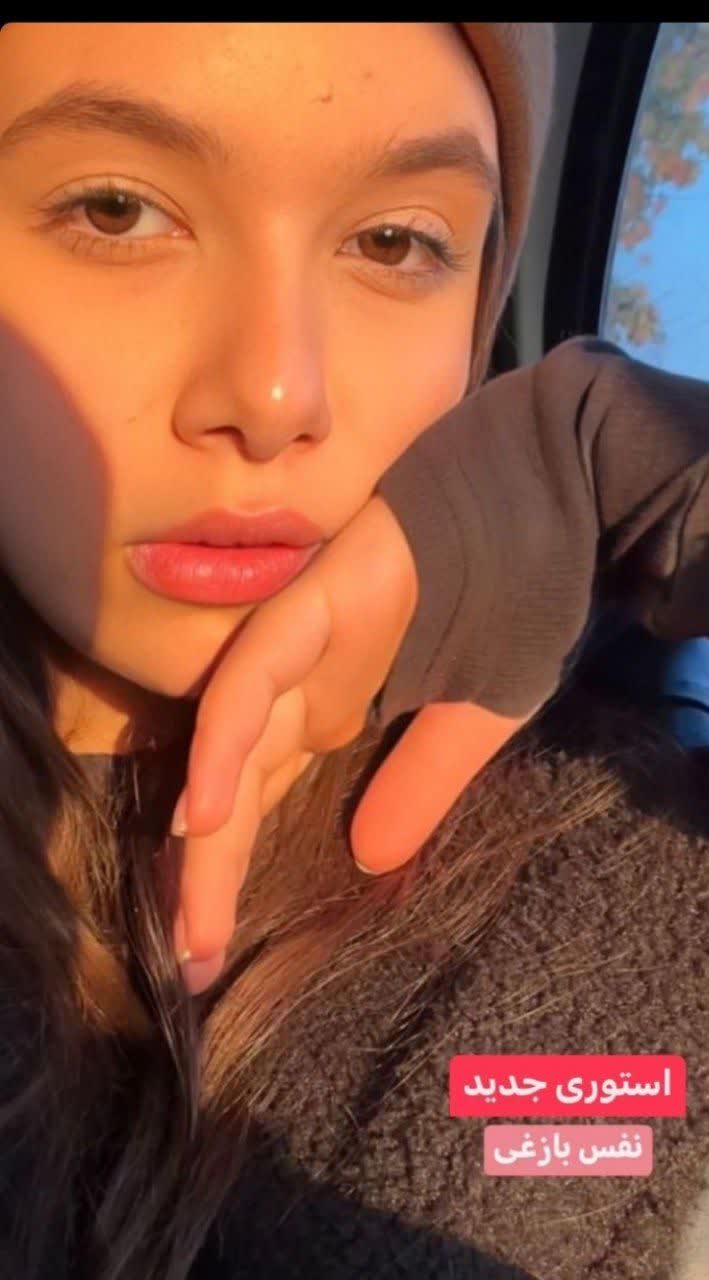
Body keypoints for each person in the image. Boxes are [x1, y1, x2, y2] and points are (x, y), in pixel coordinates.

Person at [0, 21, 707, 1279]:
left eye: (394, 243)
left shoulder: (631, 876)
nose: (277, 395)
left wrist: (648, 459)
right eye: (116, 210)